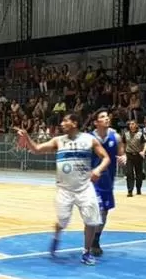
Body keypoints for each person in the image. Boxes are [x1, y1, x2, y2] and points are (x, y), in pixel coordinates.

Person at [18, 113, 111, 265]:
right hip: (64, 190)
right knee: (62, 221)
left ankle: (86, 252)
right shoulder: (58, 141)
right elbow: (36, 149)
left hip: (84, 187)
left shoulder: (89, 139)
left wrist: (98, 170)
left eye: (65, 120)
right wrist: (27, 136)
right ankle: (56, 237)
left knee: (92, 220)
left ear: (74, 123)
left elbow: (106, 158)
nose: (62, 123)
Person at [92, 109, 126, 256]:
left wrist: (124, 158)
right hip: (92, 180)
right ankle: (91, 241)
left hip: (107, 180)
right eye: (102, 117)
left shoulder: (116, 137)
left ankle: (95, 240)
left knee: (104, 212)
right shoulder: (89, 138)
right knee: (96, 210)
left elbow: (121, 153)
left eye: (107, 116)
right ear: (96, 122)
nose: (107, 118)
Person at [122, 119, 146, 197]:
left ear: (136, 125)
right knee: (129, 173)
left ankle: (138, 189)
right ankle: (130, 191)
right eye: (130, 124)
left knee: (139, 174)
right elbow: (123, 144)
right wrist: (123, 154)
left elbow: (145, 143)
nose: (131, 125)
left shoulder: (140, 134)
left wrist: (143, 151)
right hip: (129, 155)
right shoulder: (125, 134)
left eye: (133, 124)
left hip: (138, 155)